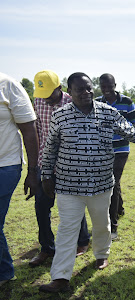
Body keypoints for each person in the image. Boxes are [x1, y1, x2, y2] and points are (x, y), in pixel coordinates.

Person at [39, 72, 135, 293]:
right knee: (67, 230)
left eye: (89, 88)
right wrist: (46, 175)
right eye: (80, 89)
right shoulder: (60, 116)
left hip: (101, 184)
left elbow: (130, 132)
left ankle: (102, 254)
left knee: (101, 224)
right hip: (68, 186)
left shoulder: (108, 113)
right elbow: (50, 147)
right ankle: (61, 278)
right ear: (69, 91)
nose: (86, 92)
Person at [29, 70, 90, 267]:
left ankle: (82, 242)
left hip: (69, 165)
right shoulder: (38, 101)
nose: (45, 98)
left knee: (73, 206)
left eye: (49, 94)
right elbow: (38, 130)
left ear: (60, 89)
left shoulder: (75, 102)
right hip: (44, 164)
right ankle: (47, 248)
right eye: (42, 94)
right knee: (41, 207)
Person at [0, 72, 39, 287]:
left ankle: (4, 273)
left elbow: (29, 130)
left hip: (5, 165)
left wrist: (33, 171)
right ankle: (4, 271)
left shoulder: (8, 85)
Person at [96, 73, 135, 239]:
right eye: (103, 87)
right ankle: (119, 209)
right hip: (103, 150)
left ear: (115, 85)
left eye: (110, 86)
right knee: (114, 181)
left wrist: (122, 130)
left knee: (111, 183)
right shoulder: (97, 103)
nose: (107, 90)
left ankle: (112, 226)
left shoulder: (126, 102)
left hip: (121, 150)